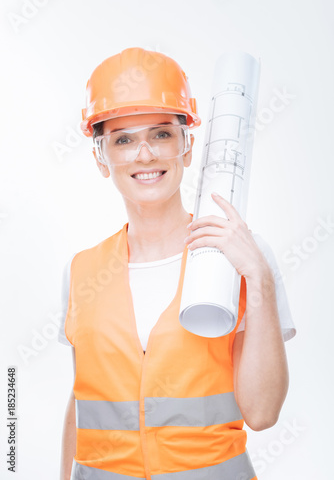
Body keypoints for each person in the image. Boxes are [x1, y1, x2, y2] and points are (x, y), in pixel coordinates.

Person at [59, 47, 296, 480]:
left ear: (187, 147)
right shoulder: (83, 271)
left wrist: (258, 279)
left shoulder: (238, 257)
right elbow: (82, 405)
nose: (145, 155)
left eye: (161, 134)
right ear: (101, 157)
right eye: (124, 139)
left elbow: (262, 413)